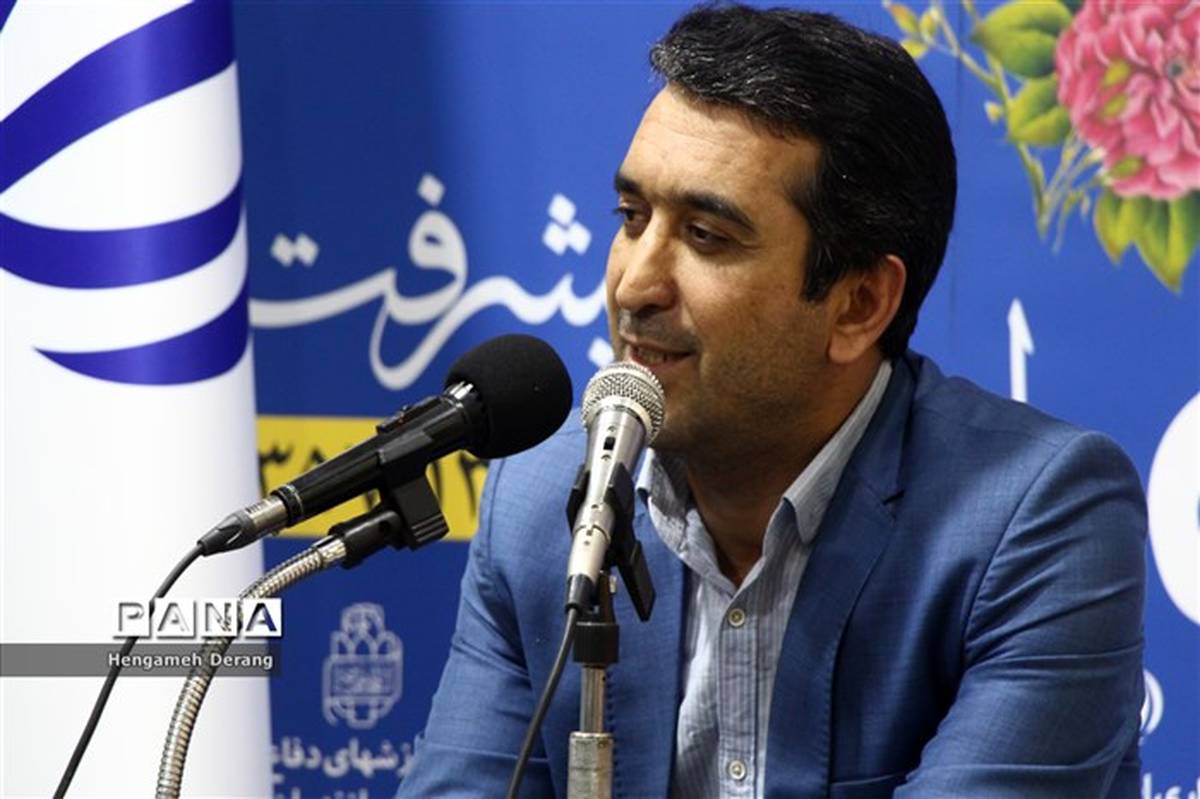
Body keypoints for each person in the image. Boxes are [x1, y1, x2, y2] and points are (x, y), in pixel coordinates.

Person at [398, 4, 1146, 797]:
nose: (634, 285)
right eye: (632, 218)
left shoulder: (1038, 520)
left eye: (706, 236)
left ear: (859, 304)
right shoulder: (545, 505)